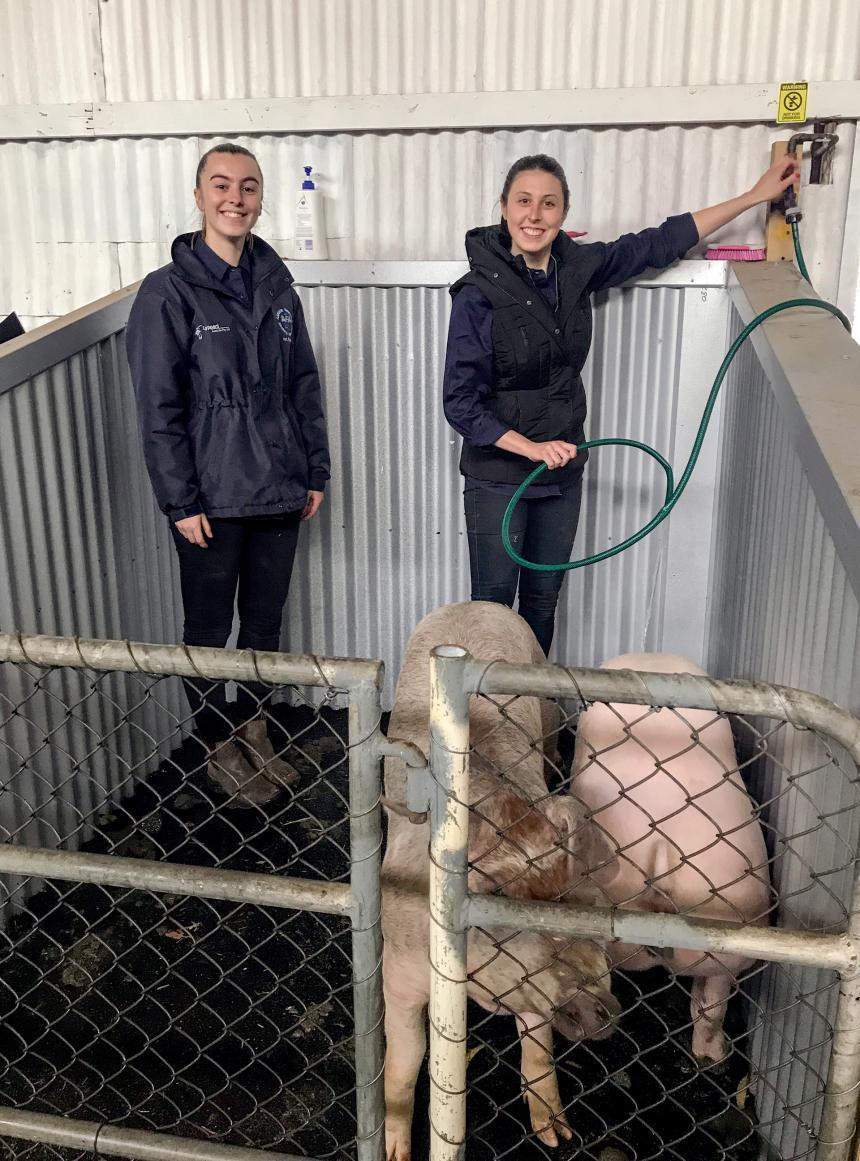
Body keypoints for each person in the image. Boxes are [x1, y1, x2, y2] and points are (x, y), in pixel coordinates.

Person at [443, 152, 799, 656]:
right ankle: (491, 724)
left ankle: (534, 719)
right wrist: (531, 448)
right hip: (498, 476)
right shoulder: (477, 294)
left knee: (542, 604)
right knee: (493, 611)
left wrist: (755, 197)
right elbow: (460, 403)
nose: (534, 215)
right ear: (503, 208)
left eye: (549, 204)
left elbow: (657, 242)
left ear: (563, 215)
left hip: (561, 474)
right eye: (523, 201)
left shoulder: (576, 269)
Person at [126, 142, 330, 806]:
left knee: (265, 625)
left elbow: (304, 384)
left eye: (247, 186)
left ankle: (255, 731)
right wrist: (178, 499)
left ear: (260, 197)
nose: (235, 198)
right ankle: (220, 748)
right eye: (221, 185)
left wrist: (316, 469)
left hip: (278, 488)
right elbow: (159, 406)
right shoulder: (168, 292)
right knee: (210, 631)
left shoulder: (277, 287)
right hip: (211, 498)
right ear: (199, 196)